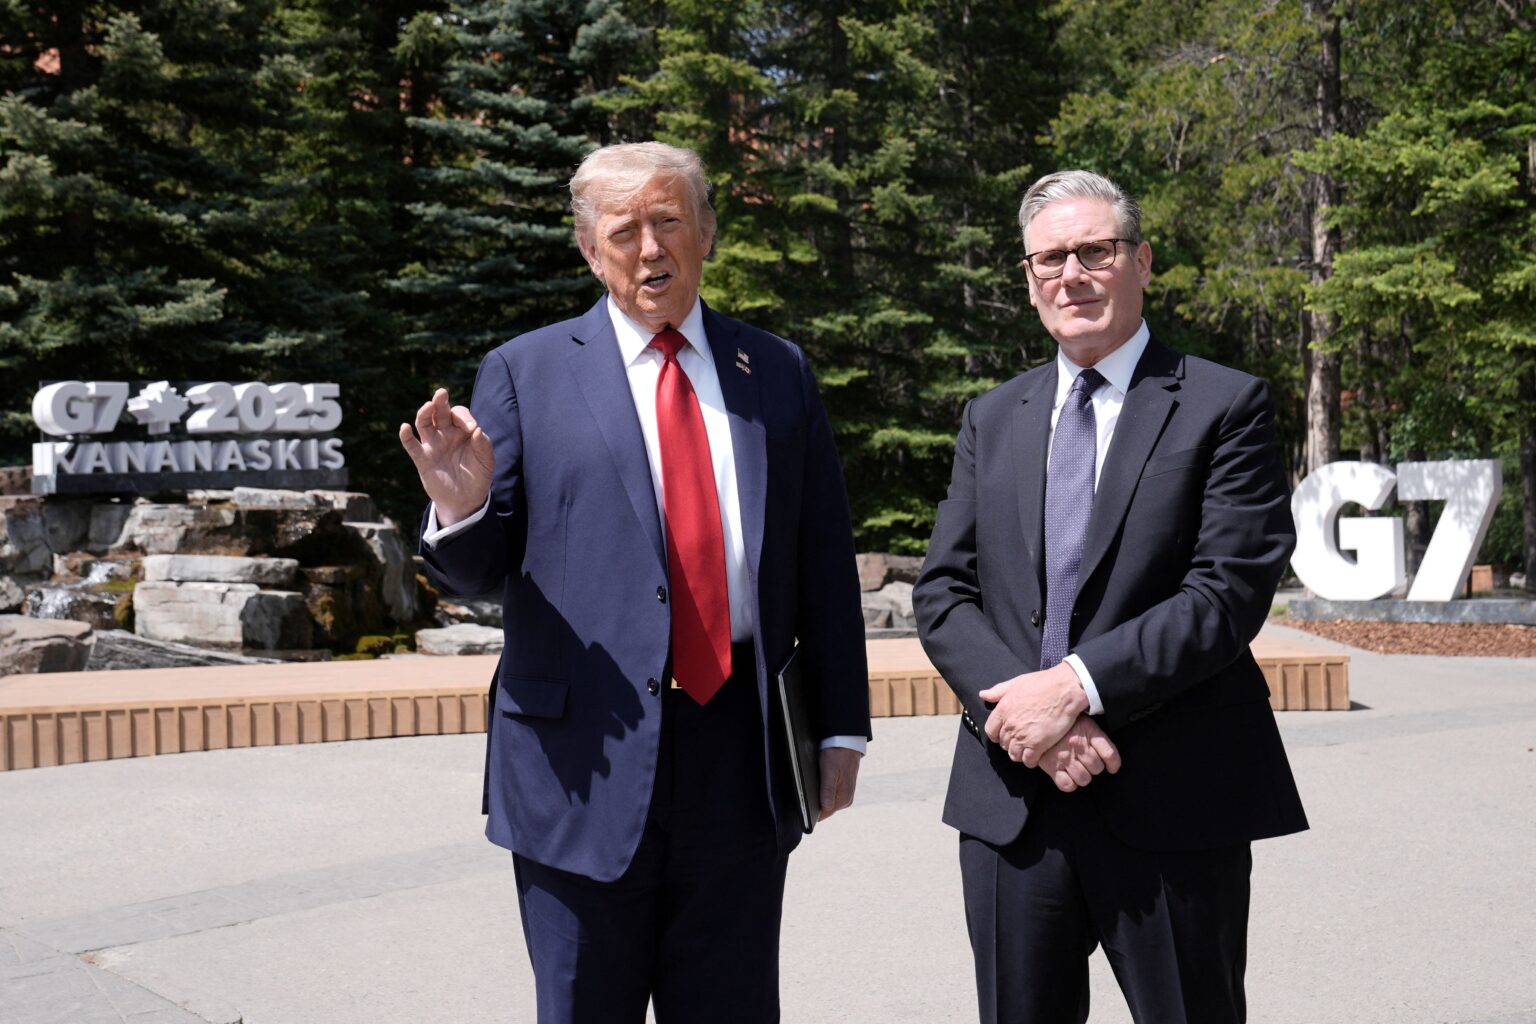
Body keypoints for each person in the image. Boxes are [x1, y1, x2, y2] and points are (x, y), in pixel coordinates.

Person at [399, 141, 870, 1023]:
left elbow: (822, 560)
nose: (650, 249)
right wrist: (459, 506)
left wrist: (841, 724)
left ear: (707, 233)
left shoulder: (776, 371)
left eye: (669, 222)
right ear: (591, 250)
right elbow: (479, 570)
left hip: (740, 755)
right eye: (624, 232)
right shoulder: (526, 372)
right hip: (580, 759)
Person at [913, 169, 1308, 1024]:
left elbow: (1227, 591)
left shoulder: (1225, 404)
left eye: (1095, 251)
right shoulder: (992, 416)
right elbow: (944, 591)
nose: (1072, 275)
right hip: (1014, 799)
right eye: (1049, 258)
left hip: (1174, 796)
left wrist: (1075, 689)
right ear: (1028, 278)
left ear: (1142, 261)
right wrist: (1028, 720)